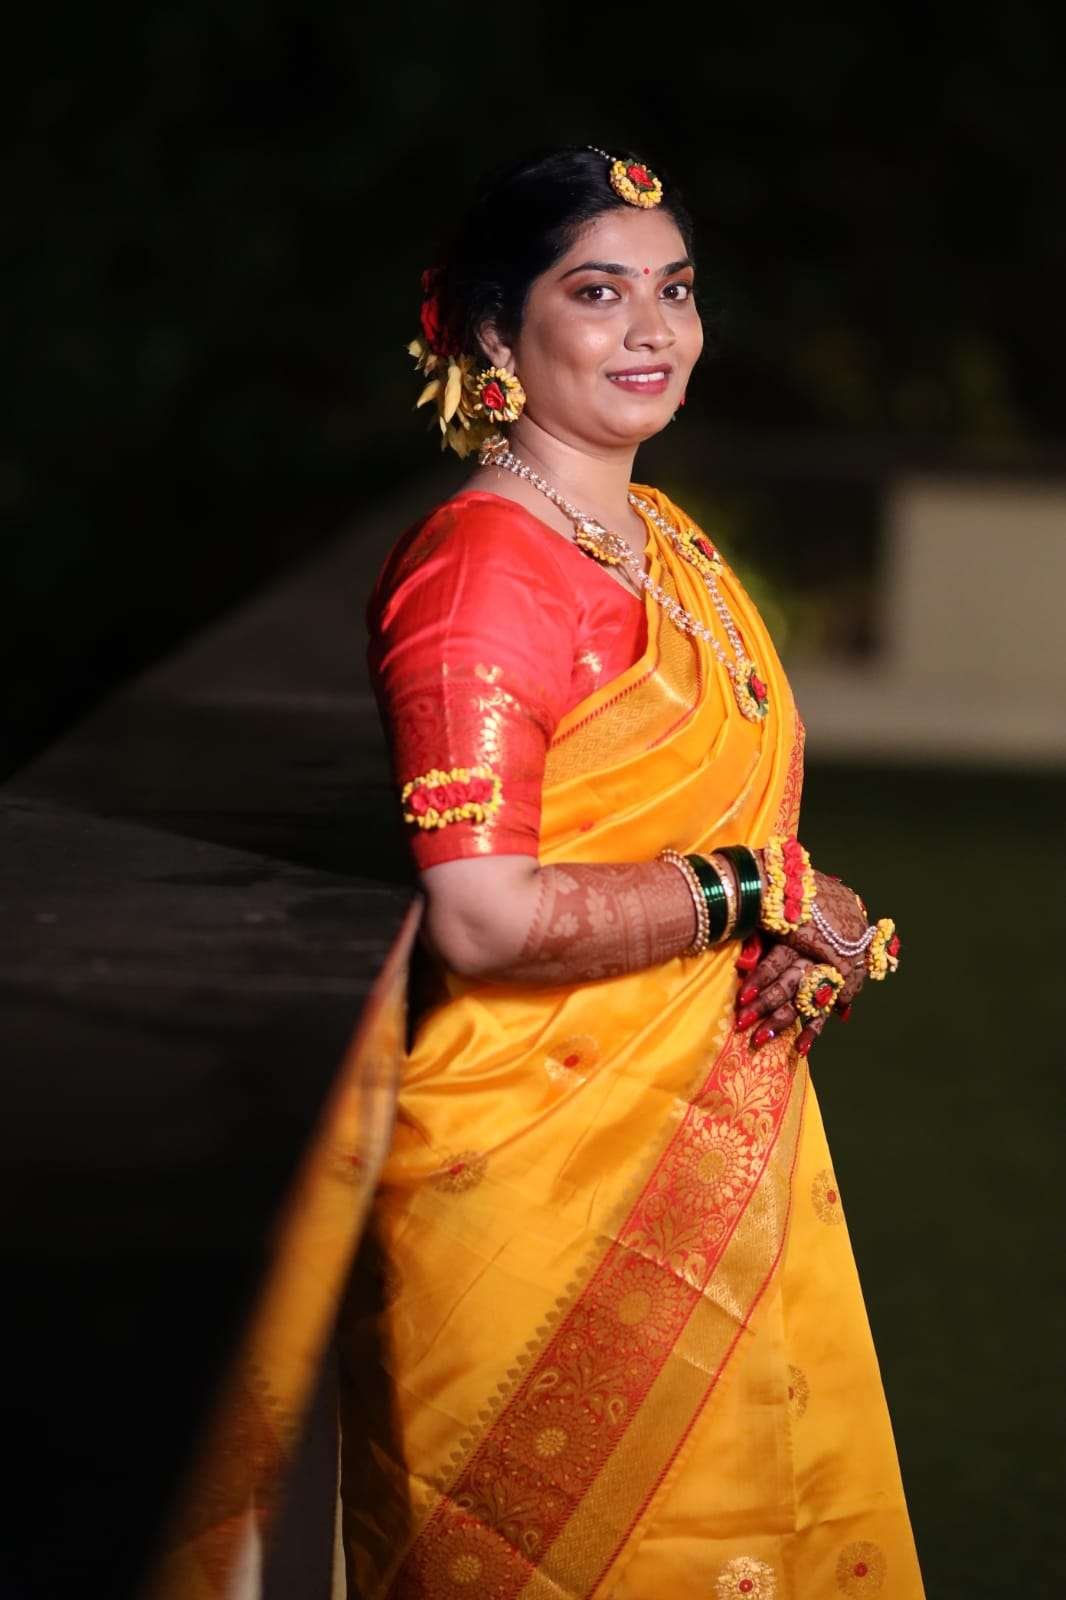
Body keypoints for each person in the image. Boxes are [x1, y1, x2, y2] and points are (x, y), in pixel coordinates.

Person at [343, 145, 923, 1599]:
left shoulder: (660, 540)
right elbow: (484, 914)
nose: (652, 330)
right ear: (494, 334)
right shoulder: (482, 572)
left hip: (717, 1153)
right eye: (597, 294)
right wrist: (754, 892)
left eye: (675, 290)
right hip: (535, 1189)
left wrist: (801, 915)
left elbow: (715, 841)